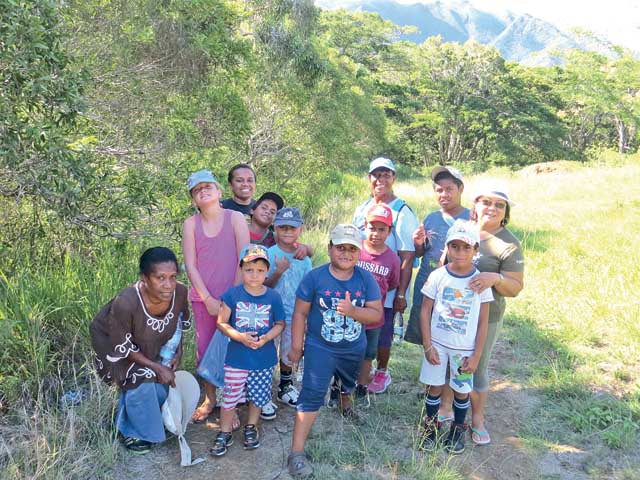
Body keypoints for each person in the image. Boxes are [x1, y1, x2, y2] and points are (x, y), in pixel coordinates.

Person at [287, 224, 383, 478]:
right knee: (312, 392)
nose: (346, 253)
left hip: (353, 347)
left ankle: (343, 402)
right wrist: (296, 346)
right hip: (320, 346)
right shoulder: (315, 278)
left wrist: (353, 311)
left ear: (359, 253)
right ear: (330, 248)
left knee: (346, 381)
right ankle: (296, 453)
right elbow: (300, 313)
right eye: (340, 247)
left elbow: (376, 315)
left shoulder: (365, 279)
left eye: (352, 249)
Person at [438, 182, 524, 446]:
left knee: (476, 366)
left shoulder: (509, 243)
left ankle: (477, 419)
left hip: (486, 317)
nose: (492, 208)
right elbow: (443, 263)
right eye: (486, 202)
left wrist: (495, 278)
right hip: (452, 313)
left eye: (499, 205)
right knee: (448, 359)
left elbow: (515, 287)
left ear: (506, 211)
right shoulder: (461, 228)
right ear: (475, 204)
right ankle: (445, 406)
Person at [90, 247, 191, 454]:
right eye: (160, 278)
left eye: (173, 277)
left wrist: (178, 352)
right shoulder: (126, 302)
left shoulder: (180, 292)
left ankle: (147, 418)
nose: (168, 285)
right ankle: (131, 430)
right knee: (142, 378)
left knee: (162, 381)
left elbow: (178, 322)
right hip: (115, 348)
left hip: (148, 343)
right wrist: (156, 367)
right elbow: (123, 346)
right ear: (144, 278)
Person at [418, 221, 493, 455]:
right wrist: (427, 345)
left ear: (476, 250)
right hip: (437, 346)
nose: (460, 252)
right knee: (434, 387)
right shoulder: (438, 276)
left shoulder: (480, 282)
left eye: (466, 247)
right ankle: (430, 428)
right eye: (455, 246)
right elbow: (425, 310)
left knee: (461, 390)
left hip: (464, 350)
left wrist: (476, 355)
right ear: (447, 247)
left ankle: (457, 429)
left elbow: (483, 322)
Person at [182, 169, 250, 424]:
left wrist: (229, 299)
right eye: (197, 190)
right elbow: (191, 265)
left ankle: (230, 405)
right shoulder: (190, 224)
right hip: (204, 301)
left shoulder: (235, 218)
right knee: (205, 350)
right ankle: (210, 398)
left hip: (235, 297)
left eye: (208, 186)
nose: (203, 191)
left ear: (219, 191)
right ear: (193, 199)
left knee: (232, 351)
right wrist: (208, 300)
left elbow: (245, 258)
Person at [405, 166, 470, 415]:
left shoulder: (470, 218)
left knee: (450, 339)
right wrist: (418, 243)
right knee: (429, 335)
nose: (444, 194)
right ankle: (433, 386)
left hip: (455, 292)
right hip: (428, 284)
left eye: (449, 189)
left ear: (460, 189)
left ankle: (447, 398)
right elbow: (422, 253)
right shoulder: (431, 217)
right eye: (439, 190)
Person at [210, 244, 285, 456]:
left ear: (267, 271)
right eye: (249, 270)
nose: (254, 275)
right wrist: (240, 337)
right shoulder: (232, 295)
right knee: (230, 396)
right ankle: (225, 431)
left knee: (258, 396)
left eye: (260, 270)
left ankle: (251, 426)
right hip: (237, 359)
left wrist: (266, 338)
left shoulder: (273, 297)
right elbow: (221, 322)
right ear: (241, 269)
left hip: (263, 358)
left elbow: (280, 324)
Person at [352, 157, 419, 393]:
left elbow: (407, 256)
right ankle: (360, 370)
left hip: (388, 285)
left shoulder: (402, 211)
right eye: (376, 175)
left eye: (386, 175)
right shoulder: (362, 208)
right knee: (358, 328)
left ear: (394, 178)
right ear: (369, 178)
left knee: (382, 331)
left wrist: (400, 293)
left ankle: (381, 372)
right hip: (360, 284)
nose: (381, 179)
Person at [261, 207, 312, 420]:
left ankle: (285, 386)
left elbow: (308, 289)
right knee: (266, 353)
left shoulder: (304, 258)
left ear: (300, 229)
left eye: (292, 228)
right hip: (270, 316)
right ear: (275, 228)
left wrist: (307, 315)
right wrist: (278, 271)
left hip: (295, 315)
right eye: (283, 228)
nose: (288, 232)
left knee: (290, 352)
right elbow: (262, 286)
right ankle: (262, 393)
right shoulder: (268, 254)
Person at [353, 204, 400, 401]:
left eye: (382, 229)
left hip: (374, 316)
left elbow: (392, 283)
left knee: (368, 353)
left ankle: (362, 385)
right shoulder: (356, 250)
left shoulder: (392, 259)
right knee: (347, 349)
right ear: (365, 226)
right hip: (351, 312)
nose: (376, 233)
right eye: (372, 228)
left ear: (389, 231)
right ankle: (342, 384)